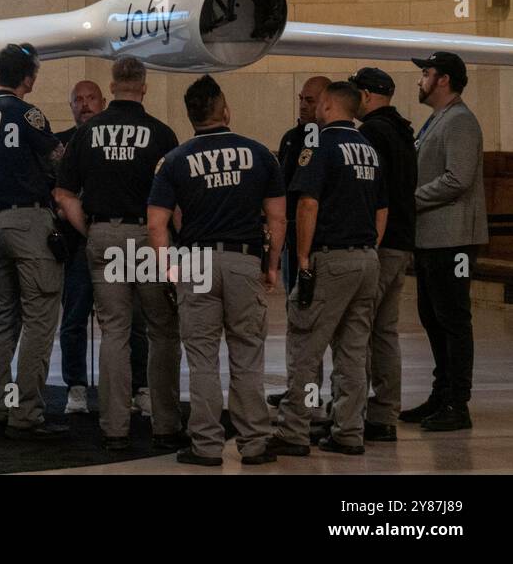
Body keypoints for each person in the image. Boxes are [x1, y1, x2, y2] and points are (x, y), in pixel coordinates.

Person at [147, 75, 286, 466]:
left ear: (191, 116)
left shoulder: (174, 161)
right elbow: (278, 218)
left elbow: (156, 223)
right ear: (225, 110)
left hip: (196, 263)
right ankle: (255, 443)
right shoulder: (260, 154)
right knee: (246, 355)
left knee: (203, 357)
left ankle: (206, 446)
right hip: (244, 261)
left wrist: (170, 270)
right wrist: (271, 264)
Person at [55, 56, 183, 451]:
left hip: (104, 234)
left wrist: (91, 229)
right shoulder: (161, 133)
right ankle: (164, 424)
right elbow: (176, 201)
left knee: (114, 333)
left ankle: (114, 429)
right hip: (147, 236)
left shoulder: (87, 133)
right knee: (160, 330)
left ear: (111, 87)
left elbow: (63, 194)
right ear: (143, 88)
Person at [269, 81, 385, 456]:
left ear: (329, 105)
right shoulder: (367, 148)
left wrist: (302, 257)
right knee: (353, 350)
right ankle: (349, 429)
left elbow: (307, 204)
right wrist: (368, 248)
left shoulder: (319, 143)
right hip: (367, 258)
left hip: (330, 258)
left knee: (305, 347)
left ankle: (295, 428)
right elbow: (383, 208)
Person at [0, 42, 69, 441]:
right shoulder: (27, 113)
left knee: (4, 319)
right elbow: (58, 158)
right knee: (41, 319)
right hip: (29, 221)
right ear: (28, 77)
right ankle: (26, 413)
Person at [402, 51, 486, 432]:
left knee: (453, 319)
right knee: (433, 318)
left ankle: (457, 401)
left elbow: (458, 178)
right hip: (432, 237)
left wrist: (408, 200)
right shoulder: (438, 119)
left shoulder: (461, 122)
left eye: (426, 73)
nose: (420, 79)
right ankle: (441, 393)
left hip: (453, 238)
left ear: (444, 80)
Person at [350, 67, 417, 443]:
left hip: (379, 243)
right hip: (403, 243)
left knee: (360, 329)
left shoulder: (372, 133)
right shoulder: (403, 130)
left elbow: (371, 191)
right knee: (385, 331)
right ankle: (385, 413)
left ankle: (354, 413)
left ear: (366, 95)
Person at [269, 75, 330, 409]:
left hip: (321, 244)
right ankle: (300, 387)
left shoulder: (328, 140)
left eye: (311, 100)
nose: (304, 106)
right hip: (294, 239)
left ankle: (311, 395)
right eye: (301, 99)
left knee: (318, 322)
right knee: (296, 316)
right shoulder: (292, 138)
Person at [55, 79, 105, 414]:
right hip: (75, 246)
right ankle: (75, 387)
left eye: (91, 99)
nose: (85, 105)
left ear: (103, 102)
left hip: (114, 239)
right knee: (73, 319)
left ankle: (132, 389)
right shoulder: (58, 145)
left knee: (126, 321)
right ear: (71, 106)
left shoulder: (113, 139)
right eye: (78, 100)